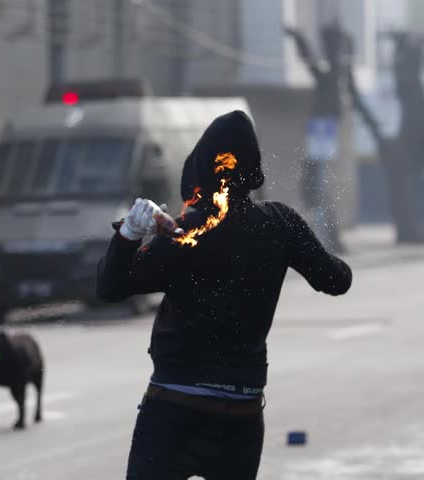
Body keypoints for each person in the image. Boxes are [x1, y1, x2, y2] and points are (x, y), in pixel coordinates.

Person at [96, 111, 353, 480]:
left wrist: (128, 236)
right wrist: (304, 243)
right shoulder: (280, 224)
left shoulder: (186, 233)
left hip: (174, 411)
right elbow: (337, 280)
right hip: (241, 416)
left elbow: (109, 287)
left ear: (199, 168)